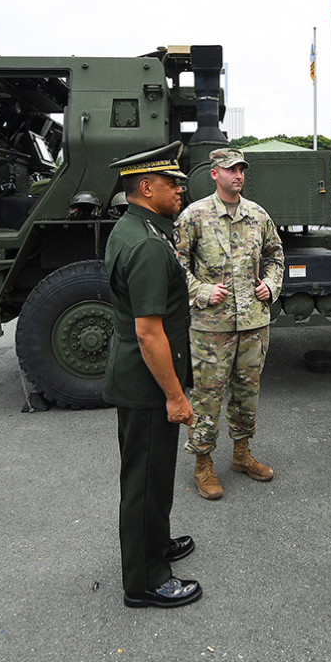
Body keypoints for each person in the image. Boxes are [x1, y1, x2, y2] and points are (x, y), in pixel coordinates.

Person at [103, 142, 202, 609]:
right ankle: (144, 581)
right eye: (172, 182)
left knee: (156, 475)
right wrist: (175, 396)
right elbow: (148, 332)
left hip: (146, 380)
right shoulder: (144, 242)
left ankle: (155, 545)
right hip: (148, 385)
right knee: (144, 482)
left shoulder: (140, 228)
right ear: (146, 187)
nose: (181, 188)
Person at [175, 147, 284, 500]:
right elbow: (175, 265)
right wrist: (202, 291)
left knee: (247, 392)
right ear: (214, 174)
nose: (237, 174)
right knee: (208, 397)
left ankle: (241, 454)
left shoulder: (257, 215)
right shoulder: (195, 215)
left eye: (241, 169)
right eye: (230, 169)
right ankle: (203, 463)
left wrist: (270, 285)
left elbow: (276, 257)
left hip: (253, 322)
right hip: (211, 327)